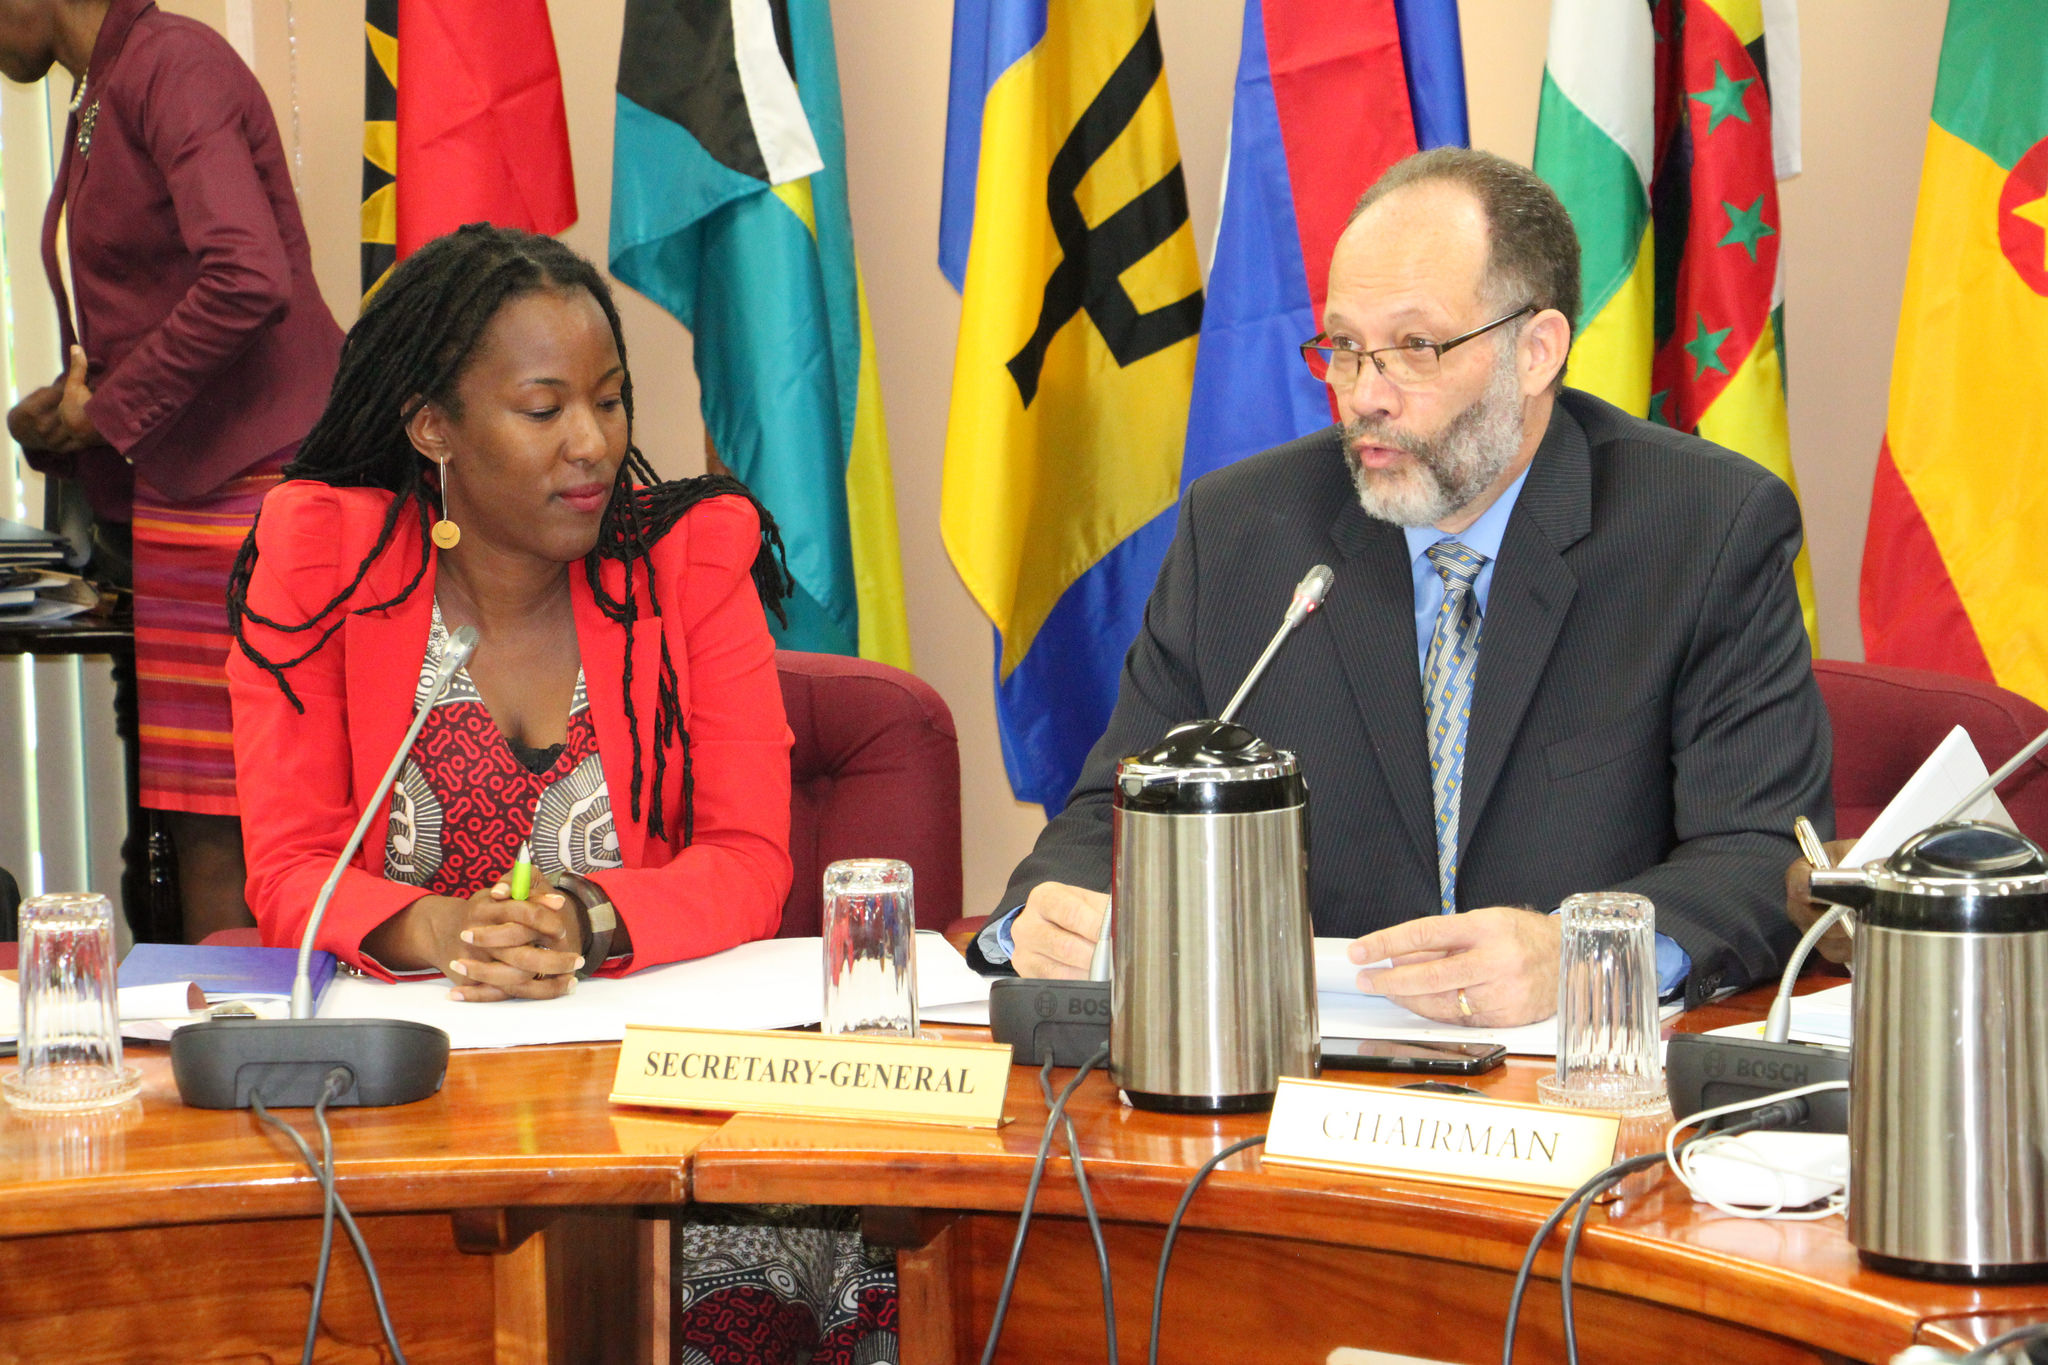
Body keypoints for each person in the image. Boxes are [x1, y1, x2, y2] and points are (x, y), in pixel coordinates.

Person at [975, 147, 1834, 1024]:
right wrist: (1045, 918)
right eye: (1344, 348)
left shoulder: (1705, 528)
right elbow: (1111, 813)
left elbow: (1762, 854)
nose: (1365, 396)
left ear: (1535, 351)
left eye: (1414, 348)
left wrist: (1580, 950)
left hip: (1572, 1086)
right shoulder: (1241, 531)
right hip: (1296, 1081)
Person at [0, 0, 343, 941]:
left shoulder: (174, 65)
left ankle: (255, 1053)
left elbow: (247, 276)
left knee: (255, 812)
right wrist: (60, 420)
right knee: (199, 812)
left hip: (260, 488)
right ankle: (212, 1045)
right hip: (192, 492)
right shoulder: (105, 86)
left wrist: (103, 412)